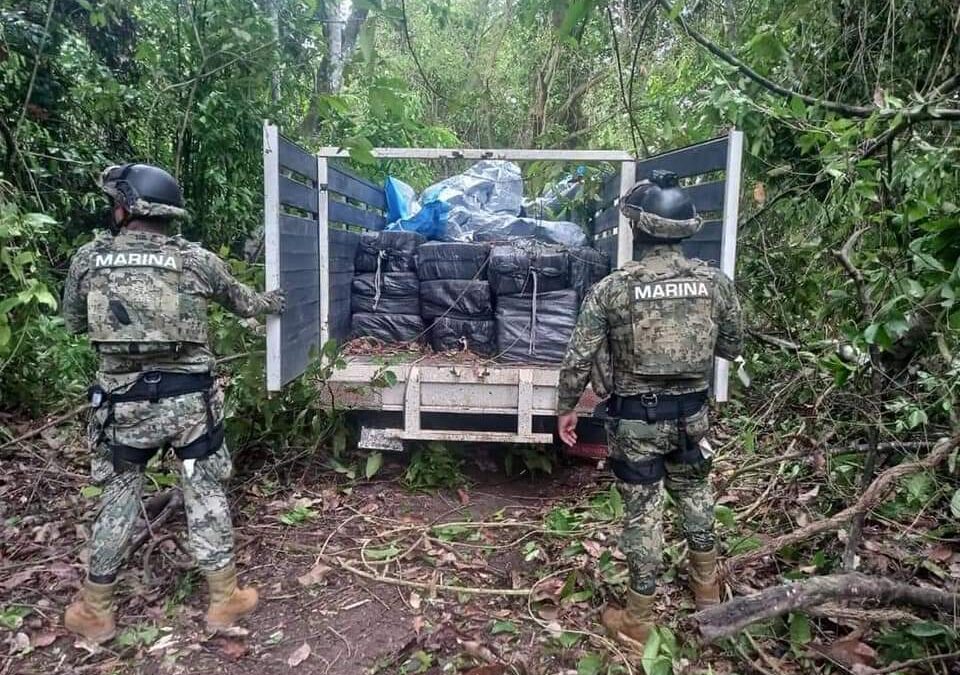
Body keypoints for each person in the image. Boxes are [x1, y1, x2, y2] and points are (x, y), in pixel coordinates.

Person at [61, 163, 286, 643]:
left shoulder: (88, 259)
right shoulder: (197, 260)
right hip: (189, 404)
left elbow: (76, 324)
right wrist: (273, 302)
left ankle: (95, 610)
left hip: (123, 406)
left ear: (125, 208)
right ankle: (224, 600)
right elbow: (246, 303)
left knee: (119, 496)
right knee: (205, 492)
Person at [555, 170, 743, 646]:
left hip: (636, 420)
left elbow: (579, 356)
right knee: (696, 496)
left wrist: (566, 408)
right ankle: (709, 596)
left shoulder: (614, 289)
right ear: (686, 230)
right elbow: (732, 346)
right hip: (692, 417)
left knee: (644, 511)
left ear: (637, 230)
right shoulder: (716, 284)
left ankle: (639, 617)